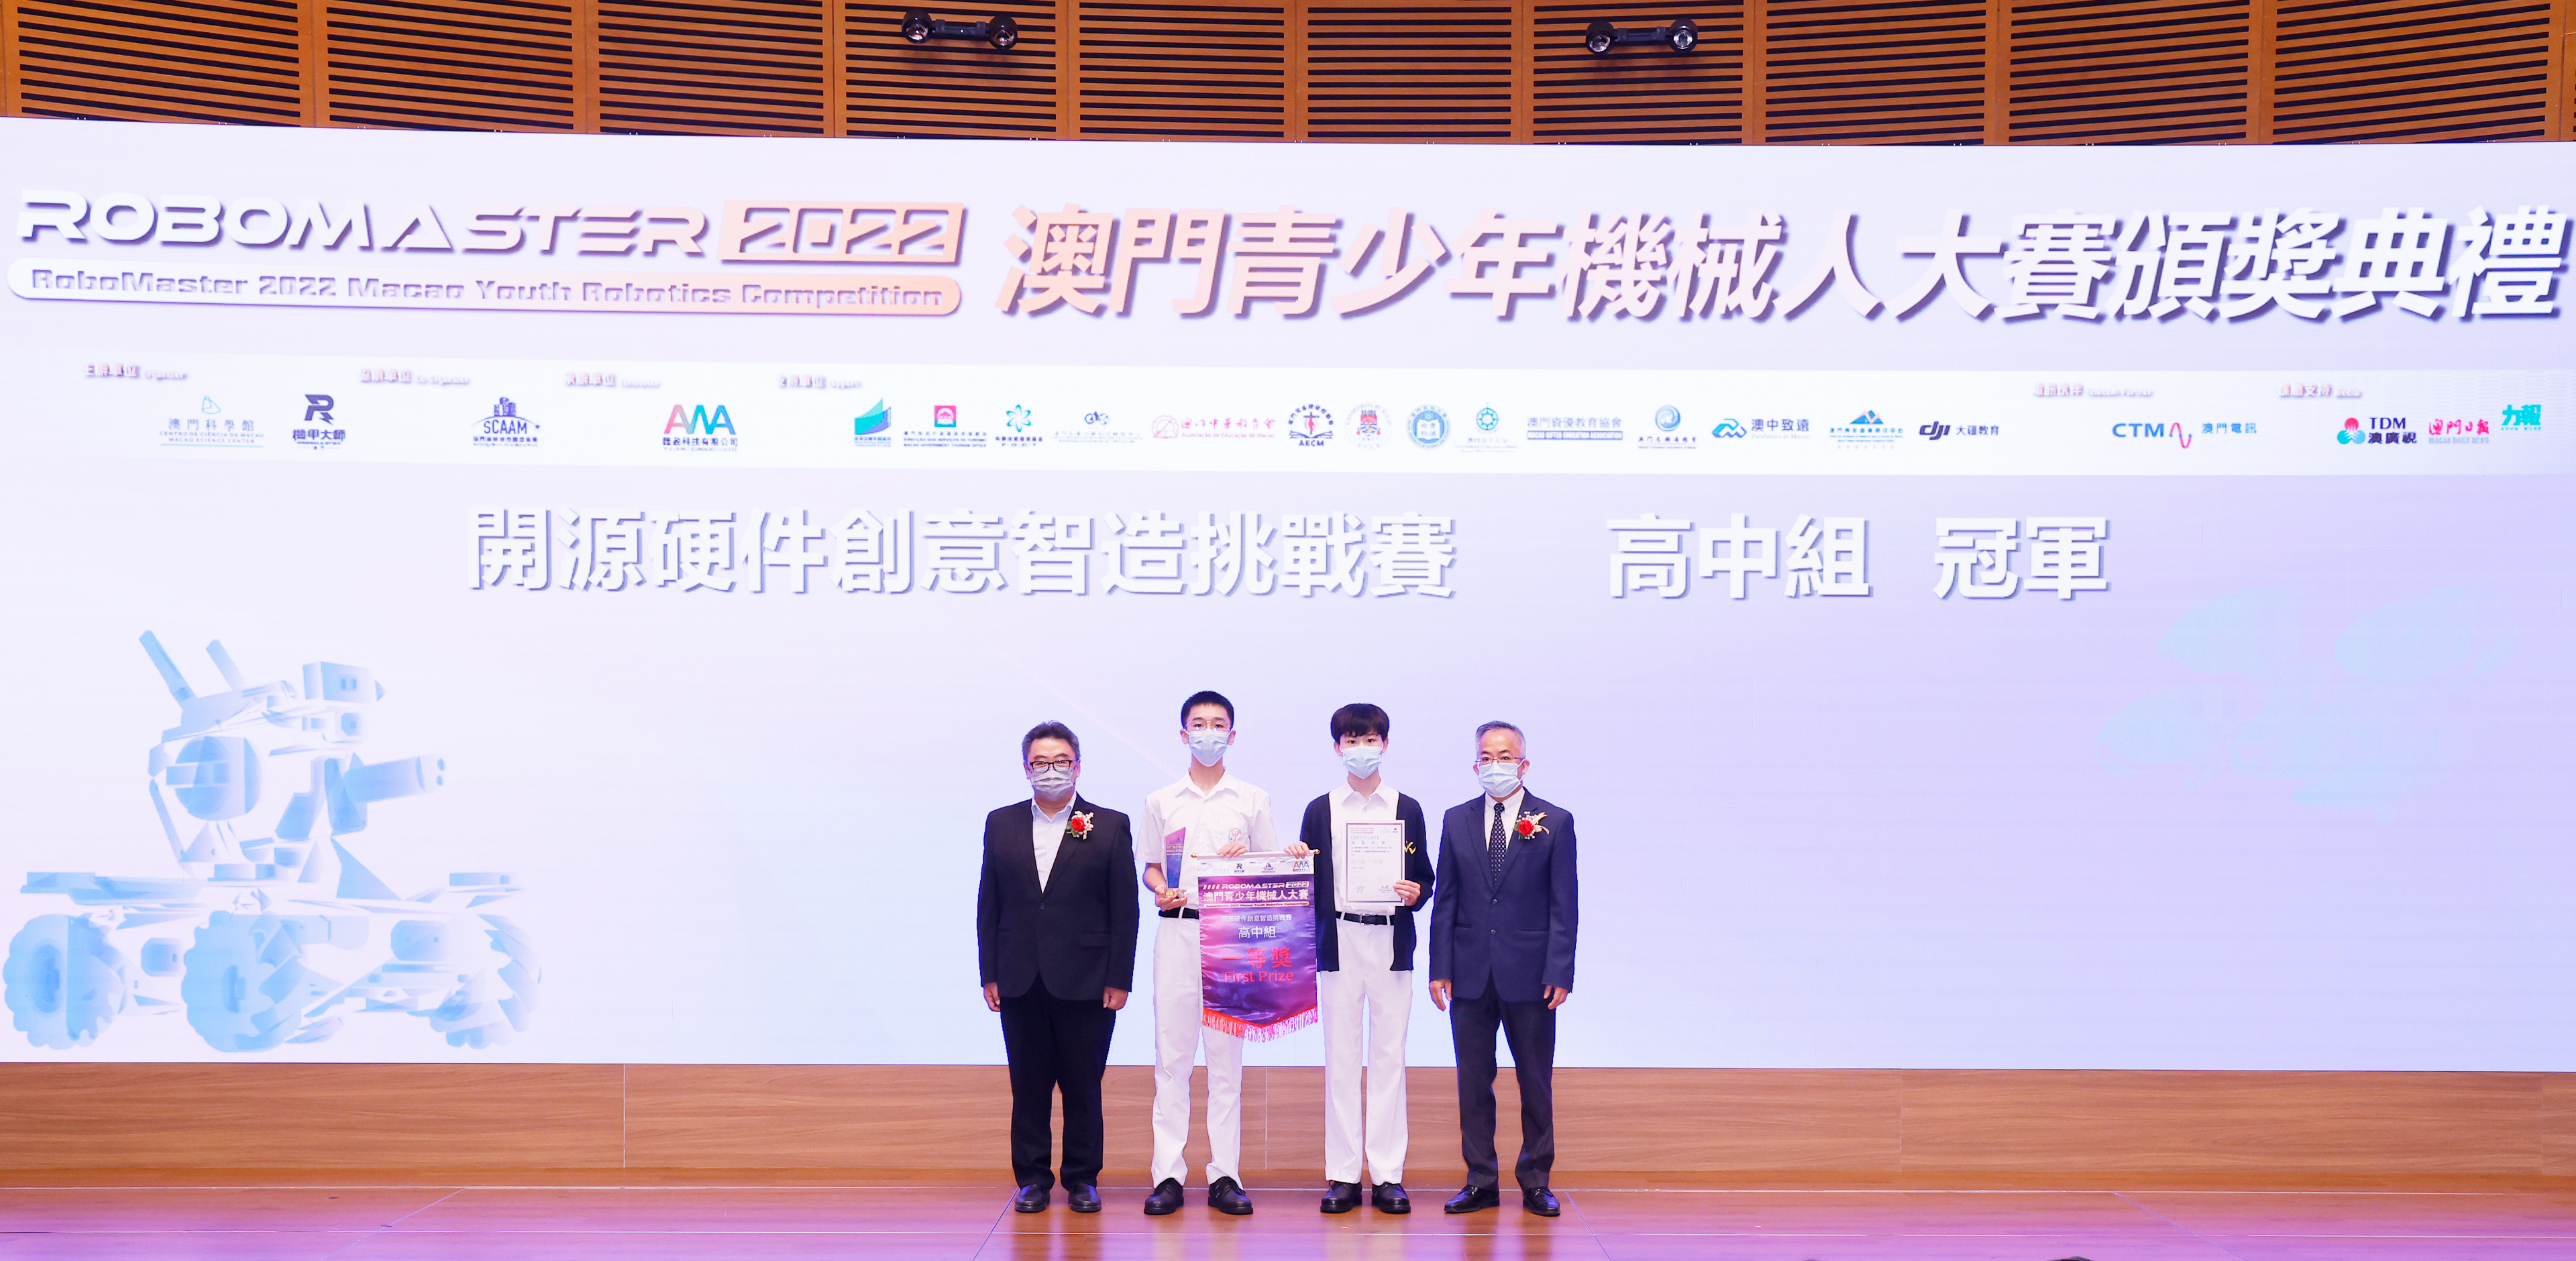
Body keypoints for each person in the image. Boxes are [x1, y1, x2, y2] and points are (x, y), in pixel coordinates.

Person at [1136, 690, 1306, 1217]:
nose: (1208, 732)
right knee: (1172, 1060)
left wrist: (1255, 856)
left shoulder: (1252, 799)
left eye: (1218, 725)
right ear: (1183, 734)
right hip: (1178, 933)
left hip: (1233, 939)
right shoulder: (1161, 800)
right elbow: (1150, 866)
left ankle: (1225, 1175)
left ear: (1231, 735)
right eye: (1199, 724)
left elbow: (1271, 868)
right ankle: (1168, 1175)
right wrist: (1160, 888)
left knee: (1226, 1063)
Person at [977, 720, 1138, 1215]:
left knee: (1083, 1086)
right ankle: (1032, 1180)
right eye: (1040, 762)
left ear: (1078, 766)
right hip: (1019, 975)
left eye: (1061, 761)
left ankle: (1083, 1179)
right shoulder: (1000, 823)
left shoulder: (1109, 824)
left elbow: (1125, 909)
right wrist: (989, 972)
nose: (1051, 770)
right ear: (1026, 768)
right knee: (1028, 1086)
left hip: (1088, 979)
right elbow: (989, 903)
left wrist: (1119, 978)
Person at [1428, 720, 1578, 1218]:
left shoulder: (1555, 821)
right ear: (1475, 766)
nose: (1496, 765)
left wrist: (1560, 970)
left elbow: (1564, 905)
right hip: (1469, 972)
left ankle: (1536, 1180)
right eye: (1487, 758)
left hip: (1531, 974)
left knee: (1535, 1081)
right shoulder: (1456, 820)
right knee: (1474, 1082)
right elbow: (1446, 899)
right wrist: (1440, 967)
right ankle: (1480, 1180)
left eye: (1506, 756)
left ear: (1524, 764)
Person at [1301, 702, 1436, 1215]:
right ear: (1338, 748)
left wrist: (1414, 893)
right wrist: (1294, 863)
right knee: (1340, 1059)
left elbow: (1424, 878)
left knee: (1388, 1059)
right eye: (1352, 741)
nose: (1362, 748)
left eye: (1371, 739)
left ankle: (1387, 1176)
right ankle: (1342, 1175)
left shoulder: (1407, 807)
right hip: (1338, 942)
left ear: (1386, 744)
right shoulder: (1321, 809)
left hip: (1390, 942)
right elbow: (1308, 882)